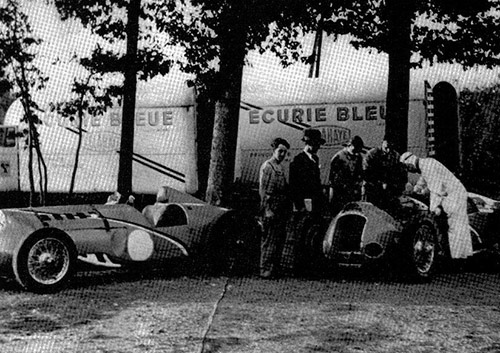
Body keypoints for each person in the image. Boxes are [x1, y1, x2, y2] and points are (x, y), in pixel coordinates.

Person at [399, 152, 473, 259]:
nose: (409, 170)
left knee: (456, 227)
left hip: (454, 195)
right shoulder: (425, 164)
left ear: (409, 164)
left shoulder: (427, 167)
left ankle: (459, 258)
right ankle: (460, 256)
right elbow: (422, 183)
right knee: (457, 226)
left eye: (407, 167)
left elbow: (436, 190)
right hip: (452, 194)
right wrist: (414, 190)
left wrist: (434, 208)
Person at [285, 128, 326, 275]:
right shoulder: (298, 161)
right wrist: (300, 206)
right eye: (316, 144)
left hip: (314, 204)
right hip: (303, 205)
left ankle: (310, 265)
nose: (318, 147)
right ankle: (298, 267)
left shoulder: (315, 159)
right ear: (309, 144)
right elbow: (294, 187)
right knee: (300, 235)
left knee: (312, 234)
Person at [259, 137, 291, 278]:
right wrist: (267, 210)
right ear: (274, 150)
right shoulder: (268, 166)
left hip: (281, 207)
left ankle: (274, 269)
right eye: (280, 151)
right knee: (269, 240)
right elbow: (263, 190)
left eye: (284, 152)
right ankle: (265, 269)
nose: (282, 154)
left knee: (279, 239)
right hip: (271, 206)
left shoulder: (280, 167)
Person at [363, 136, 406, 210]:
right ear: (382, 142)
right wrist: (379, 183)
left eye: (390, 147)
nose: (388, 150)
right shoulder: (372, 154)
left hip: (390, 190)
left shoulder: (395, 156)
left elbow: (401, 173)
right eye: (386, 147)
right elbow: (366, 173)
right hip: (373, 189)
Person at [328, 135, 365, 215]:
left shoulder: (358, 157)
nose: (357, 152)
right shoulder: (339, 158)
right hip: (340, 193)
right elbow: (334, 180)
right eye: (355, 149)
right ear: (350, 146)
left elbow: (360, 174)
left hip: (353, 193)